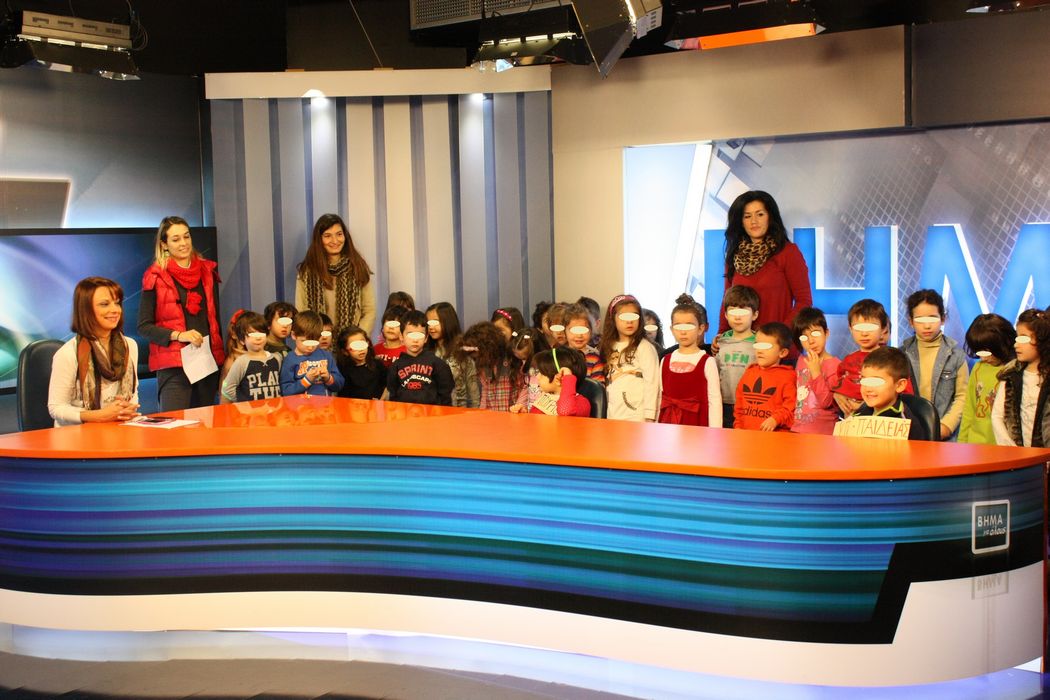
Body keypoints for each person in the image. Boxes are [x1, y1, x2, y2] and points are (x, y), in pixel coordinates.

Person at [138, 215, 224, 412]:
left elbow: (215, 319)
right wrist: (179, 335)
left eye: (186, 236)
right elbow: (144, 327)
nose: (183, 243)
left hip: (206, 362)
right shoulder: (155, 276)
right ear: (164, 244)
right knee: (175, 425)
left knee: (205, 425)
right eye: (176, 239)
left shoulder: (207, 270)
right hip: (174, 367)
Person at [717, 191, 812, 338]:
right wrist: (722, 335)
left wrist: (780, 334)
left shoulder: (788, 252)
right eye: (747, 216)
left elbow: (804, 301)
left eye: (760, 214)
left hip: (778, 344)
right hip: (741, 345)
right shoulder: (734, 256)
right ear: (741, 221)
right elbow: (727, 301)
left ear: (770, 217)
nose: (754, 221)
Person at [48, 276, 139, 426]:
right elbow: (56, 408)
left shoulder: (130, 345)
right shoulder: (68, 353)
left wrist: (126, 408)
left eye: (117, 303)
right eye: (104, 304)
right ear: (86, 310)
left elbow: (133, 394)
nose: (115, 310)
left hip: (118, 427)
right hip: (76, 434)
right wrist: (99, 416)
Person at [900, 289, 968, 440]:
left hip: (945, 435)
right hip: (909, 432)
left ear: (942, 319)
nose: (927, 326)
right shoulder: (901, 354)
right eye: (920, 319)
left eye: (932, 318)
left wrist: (946, 426)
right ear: (911, 321)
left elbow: (963, 396)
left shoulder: (956, 356)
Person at [295, 213, 376, 336]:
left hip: (351, 342)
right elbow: (301, 312)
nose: (335, 241)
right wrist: (314, 337)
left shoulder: (358, 267)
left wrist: (357, 338)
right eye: (327, 236)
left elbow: (369, 311)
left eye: (339, 234)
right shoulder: (307, 272)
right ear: (319, 239)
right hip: (317, 340)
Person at [658, 294, 721, 427]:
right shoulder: (665, 360)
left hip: (696, 424)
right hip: (668, 423)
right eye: (678, 326)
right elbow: (660, 397)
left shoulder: (707, 362)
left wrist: (715, 431)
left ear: (700, 328)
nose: (683, 332)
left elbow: (714, 400)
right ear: (672, 329)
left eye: (689, 326)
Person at [992, 309, 1050, 447]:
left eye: (1024, 338)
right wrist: (1012, 450)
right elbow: (997, 416)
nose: (1016, 345)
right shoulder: (1010, 375)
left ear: (1041, 340)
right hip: (1017, 454)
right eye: (1017, 338)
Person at [600, 294, 660, 422]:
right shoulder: (609, 346)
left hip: (637, 416)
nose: (629, 321)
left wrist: (650, 416)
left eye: (634, 316)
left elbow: (652, 383)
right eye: (624, 317)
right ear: (613, 319)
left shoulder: (644, 347)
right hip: (613, 415)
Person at [959, 314, 1016, 445]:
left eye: (988, 352)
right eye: (979, 352)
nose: (984, 358)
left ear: (1003, 343)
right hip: (975, 444)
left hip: (1004, 446)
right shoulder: (978, 368)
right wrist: (962, 443)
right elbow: (969, 409)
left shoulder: (1015, 370)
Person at [734, 322, 796, 431]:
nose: (760, 351)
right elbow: (739, 405)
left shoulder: (788, 376)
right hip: (746, 436)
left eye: (766, 347)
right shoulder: (749, 372)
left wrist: (775, 419)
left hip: (774, 438)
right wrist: (738, 425)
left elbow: (791, 407)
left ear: (782, 352)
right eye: (758, 345)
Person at [833, 299, 890, 418]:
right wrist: (837, 394)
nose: (864, 333)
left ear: (883, 329)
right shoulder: (848, 361)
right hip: (851, 419)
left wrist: (866, 405)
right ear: (850, 329)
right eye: (858, 327)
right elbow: (838, 385)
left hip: (881, 419)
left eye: (871, 327)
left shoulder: (891, 359)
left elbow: (905, 394)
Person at [854, 347, 926, 441]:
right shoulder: (859, 413)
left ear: (900, 385)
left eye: (876, 382)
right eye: (864, 380)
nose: (868, 388)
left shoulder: (904, 423)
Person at [790, 307, 841, 435]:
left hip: (822, 432)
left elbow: (826, 402)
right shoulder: (801, 360)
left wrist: (816, 372)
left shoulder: (835, 365)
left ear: (826, 333)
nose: (811, 341)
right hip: (797, 429)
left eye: (815, 334)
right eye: (804, 337)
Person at [387, 310, 454, 406]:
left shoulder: (438, 364)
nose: (415, 340)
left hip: (432, 413)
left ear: (426, 337)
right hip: (404, 413)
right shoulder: (395, 366)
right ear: (401, 336)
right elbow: (393, 396)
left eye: (420, 335)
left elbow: (446, 395)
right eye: (410, 334)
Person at [715, 285, 759, 429]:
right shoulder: (720, 342)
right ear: (726, 315)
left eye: (743, 311)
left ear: (754, 315)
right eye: (733, 311)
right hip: (724, 403)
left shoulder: (759, 343)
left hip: (750, 404)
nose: (738, 317)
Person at [456, 321, 522, 412]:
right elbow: (485, 393)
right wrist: (482, 413)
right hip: (492, 416)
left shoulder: (512, 361)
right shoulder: (483, 366)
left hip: (514, 414)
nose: (477, 359)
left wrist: (519, 407)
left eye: (479, 355)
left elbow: (524, 388)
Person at [220, 312, 282, 403]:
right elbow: (227, 389)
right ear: (242, 340)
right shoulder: (241, 362)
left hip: (274, 409)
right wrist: (242, 402)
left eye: (261, 333)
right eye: (251, 334)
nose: (258, 338)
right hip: (249, 411)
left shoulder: (277, 358)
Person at [426, 301, 479, 408]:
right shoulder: (425, 351)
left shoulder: (463, 349)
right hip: (432, 411)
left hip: (459, 410)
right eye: (429, 322)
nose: (431, 327)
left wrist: (475, 412)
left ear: (448, 321)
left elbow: (472, 388)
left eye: (436, 322)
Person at [279, 311, 344, 397]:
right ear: (294, 335)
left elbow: (339, 385)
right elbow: (286, 391)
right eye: (304, 341)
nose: (310, 347)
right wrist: (306, 380)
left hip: (325, 404)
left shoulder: (326, 356)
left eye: (314, 341)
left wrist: (328, 378)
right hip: (301, 404)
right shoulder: (290, 359)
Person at [527, 348, 591, 417]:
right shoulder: (545, 397)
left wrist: (568, 377)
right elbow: (534, 419)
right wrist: (524, 414)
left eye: (542, 374)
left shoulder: (581, 402)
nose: (537, 377)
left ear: (559, 379)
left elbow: (565, 412)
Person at [336, 326, 386, 400]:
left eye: (362, 343)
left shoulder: (378, 364)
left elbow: (388, 385)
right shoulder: (343, 370)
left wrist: (381, 400)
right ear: (345, 351)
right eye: (355, 346)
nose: (360, 349)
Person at [509, 327, 550, 414]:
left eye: (524, 358)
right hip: (531, 414)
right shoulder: (527, 369)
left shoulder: (548, 371)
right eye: (519, 358)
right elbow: (527, 389)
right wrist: (519, 405)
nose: (523, 363)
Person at [564, 303, 605, 383]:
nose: (579, 335)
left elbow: (598, 386)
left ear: (590, 331)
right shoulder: (559, 356)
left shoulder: (595, 358)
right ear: (564, 331)